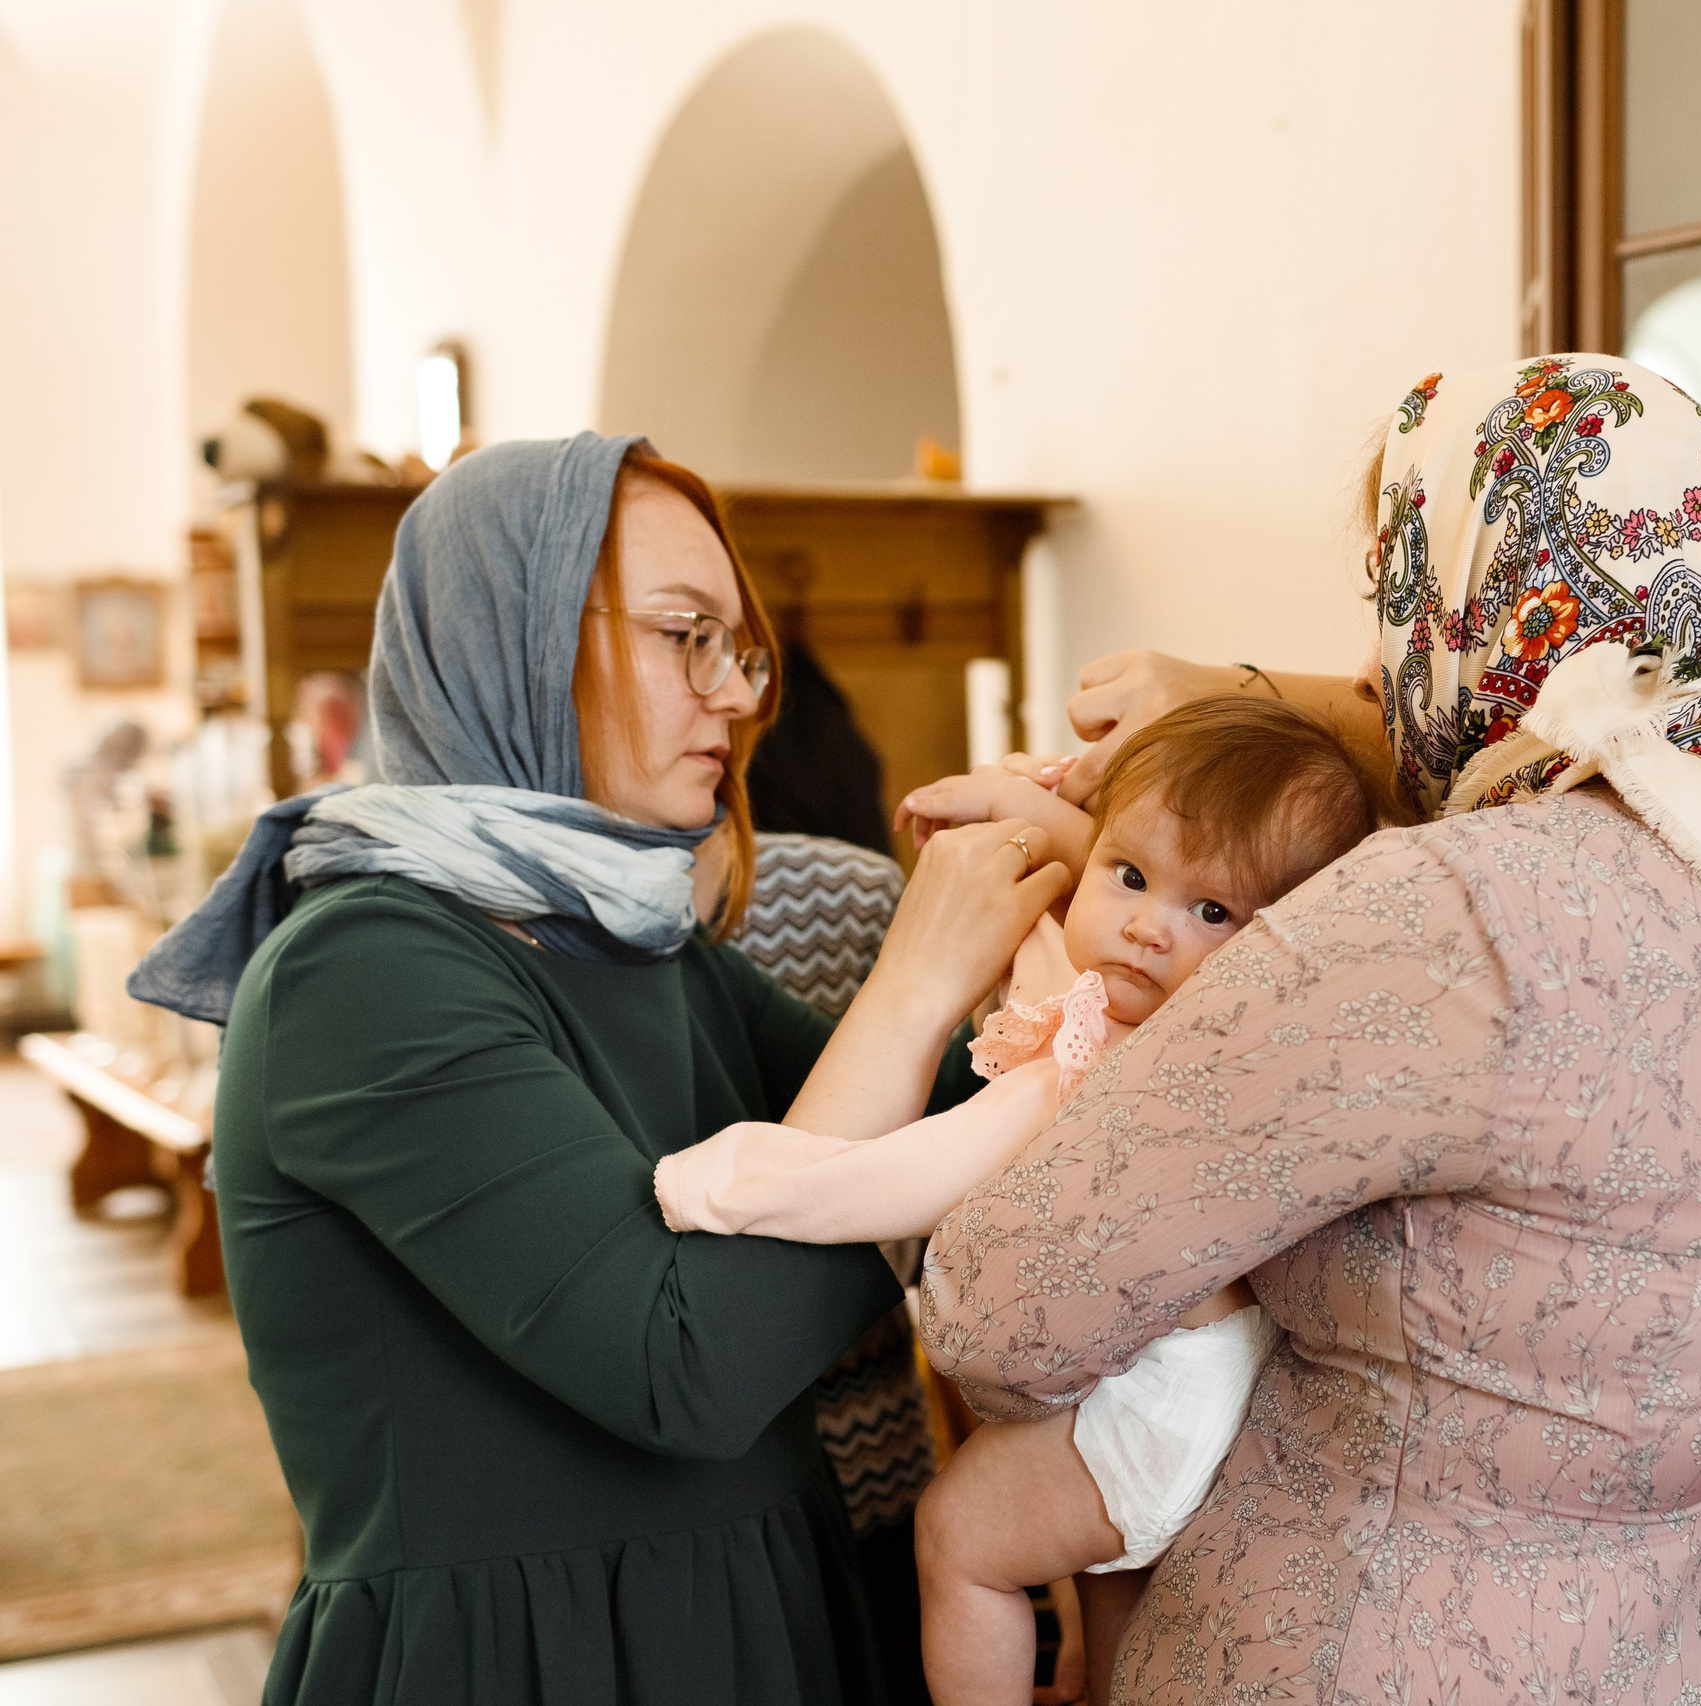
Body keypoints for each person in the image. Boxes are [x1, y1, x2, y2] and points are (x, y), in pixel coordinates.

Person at [920, 357, 1701, 1703]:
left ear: (1466, 602)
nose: (1371, 659)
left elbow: (1000, 1311)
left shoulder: (1437, 914)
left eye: (1393, 596)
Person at [129, 434, 1069, 1706]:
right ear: (508, 635)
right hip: (516, 1660)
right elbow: (688, 1365)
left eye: (740, 649)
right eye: (686, 634)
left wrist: (1092, 892)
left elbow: (966, 1143)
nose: (736, 695)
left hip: (768, 1620)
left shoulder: (643, 947)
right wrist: (911, 986)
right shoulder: (361, 969)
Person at [651, 696, 1388, 1704]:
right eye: (1128, 876)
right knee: (1104, 1576)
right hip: (1196, 1386)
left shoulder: (1098, 1059)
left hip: (1162, 1397)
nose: (1144, 924)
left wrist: (745, 1184)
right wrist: (1011, 801)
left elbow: (926, 1168)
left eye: (1210, 911)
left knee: (955, 1532)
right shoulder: (1217, 1046)